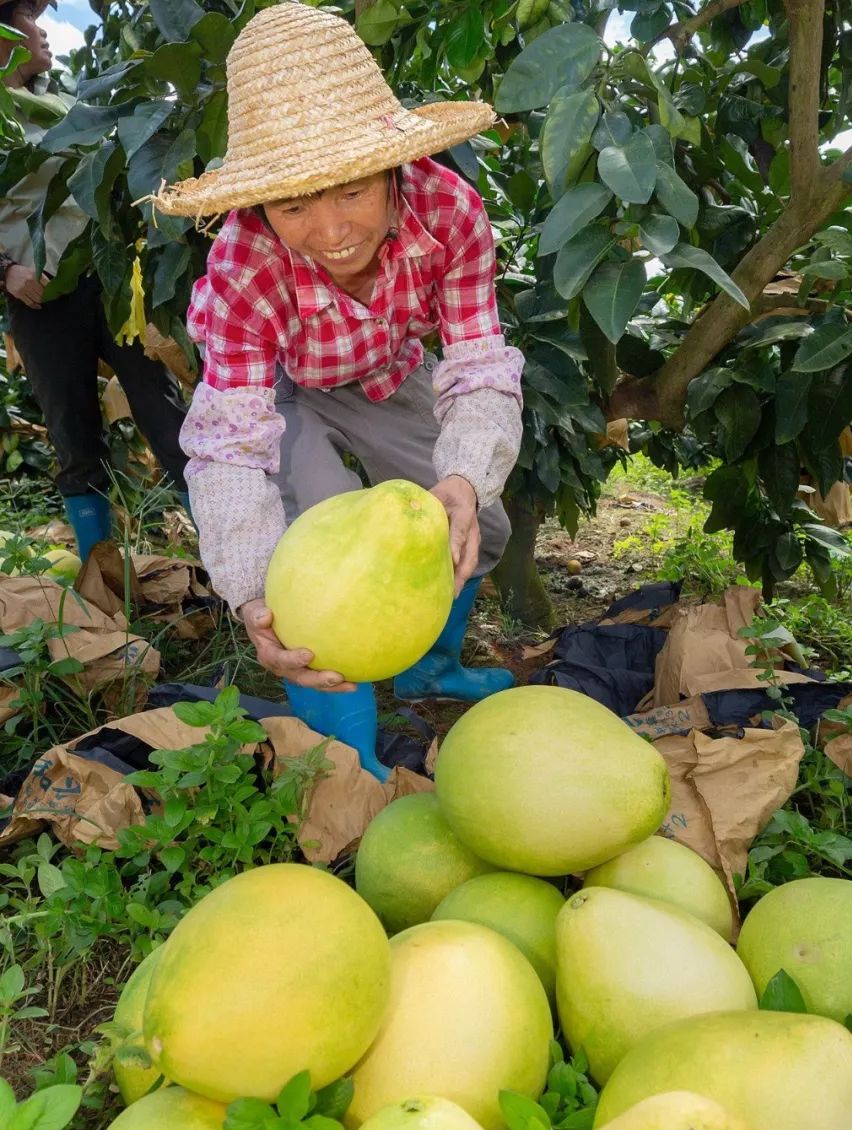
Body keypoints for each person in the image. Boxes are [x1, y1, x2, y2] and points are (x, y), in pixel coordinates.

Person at [158, 2, 522, 781]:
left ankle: (429, 666)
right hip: (284, 390)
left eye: (352, 191)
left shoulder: (450, 212)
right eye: (294, 205)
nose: (331, 231)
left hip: (387, 369)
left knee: (474, 524)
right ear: (260, 206)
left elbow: (479, 364)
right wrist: (255, 591)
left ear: (393, 166)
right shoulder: (243, 265)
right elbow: (230, 439)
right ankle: (347, 767)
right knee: (310, 578)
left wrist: (462, 475)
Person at [0, 0, 189, 560]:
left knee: (167, 416)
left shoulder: (64, 106)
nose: (44, 32)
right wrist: (6, 271)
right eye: (31, 20)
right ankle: (100, 577)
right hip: (43, 298)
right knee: (73, 433)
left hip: (112, 287)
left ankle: (233, 568)